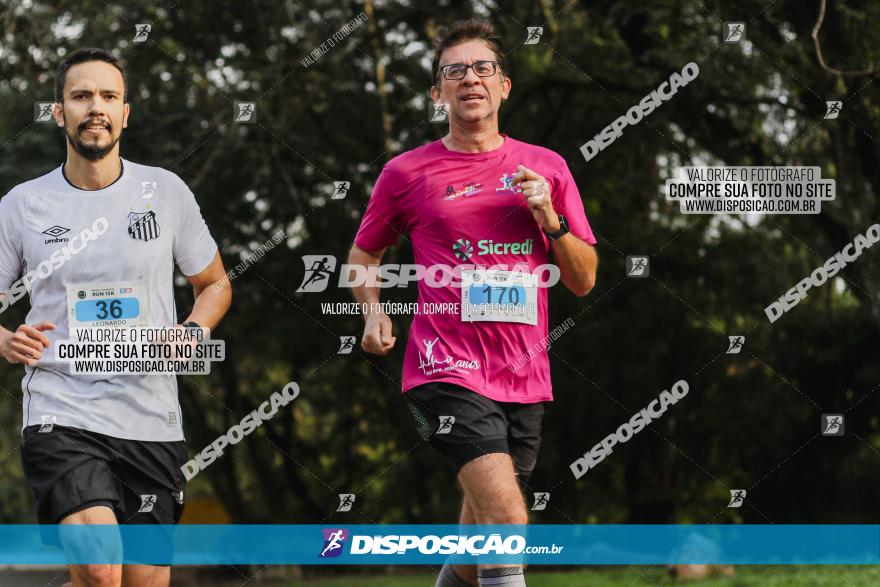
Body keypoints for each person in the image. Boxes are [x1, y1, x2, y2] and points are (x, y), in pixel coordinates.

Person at [349, 20, 598, 587]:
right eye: (453, 71)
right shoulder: (405, 172)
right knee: (508, 518)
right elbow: (364, 256)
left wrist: (550, 220)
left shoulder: (547, 168)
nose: (470, 80)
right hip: (444, 368)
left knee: (474, 546)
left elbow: (582, 280)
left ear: (504, 85)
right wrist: (373, 311)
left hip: (524, 373)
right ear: (437, 92)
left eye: (482, 68)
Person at [0, 48, 231, 587]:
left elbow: (215, 283)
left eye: (108, 96)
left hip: (151, 418)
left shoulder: (165, 193)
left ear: (126, 112)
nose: (95, 107)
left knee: (138, 582)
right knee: (102, 570)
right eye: (81, 96)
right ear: (59, 112)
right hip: (63, 411)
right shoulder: (23, 205)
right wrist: (6, 340)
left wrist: (193, 330)